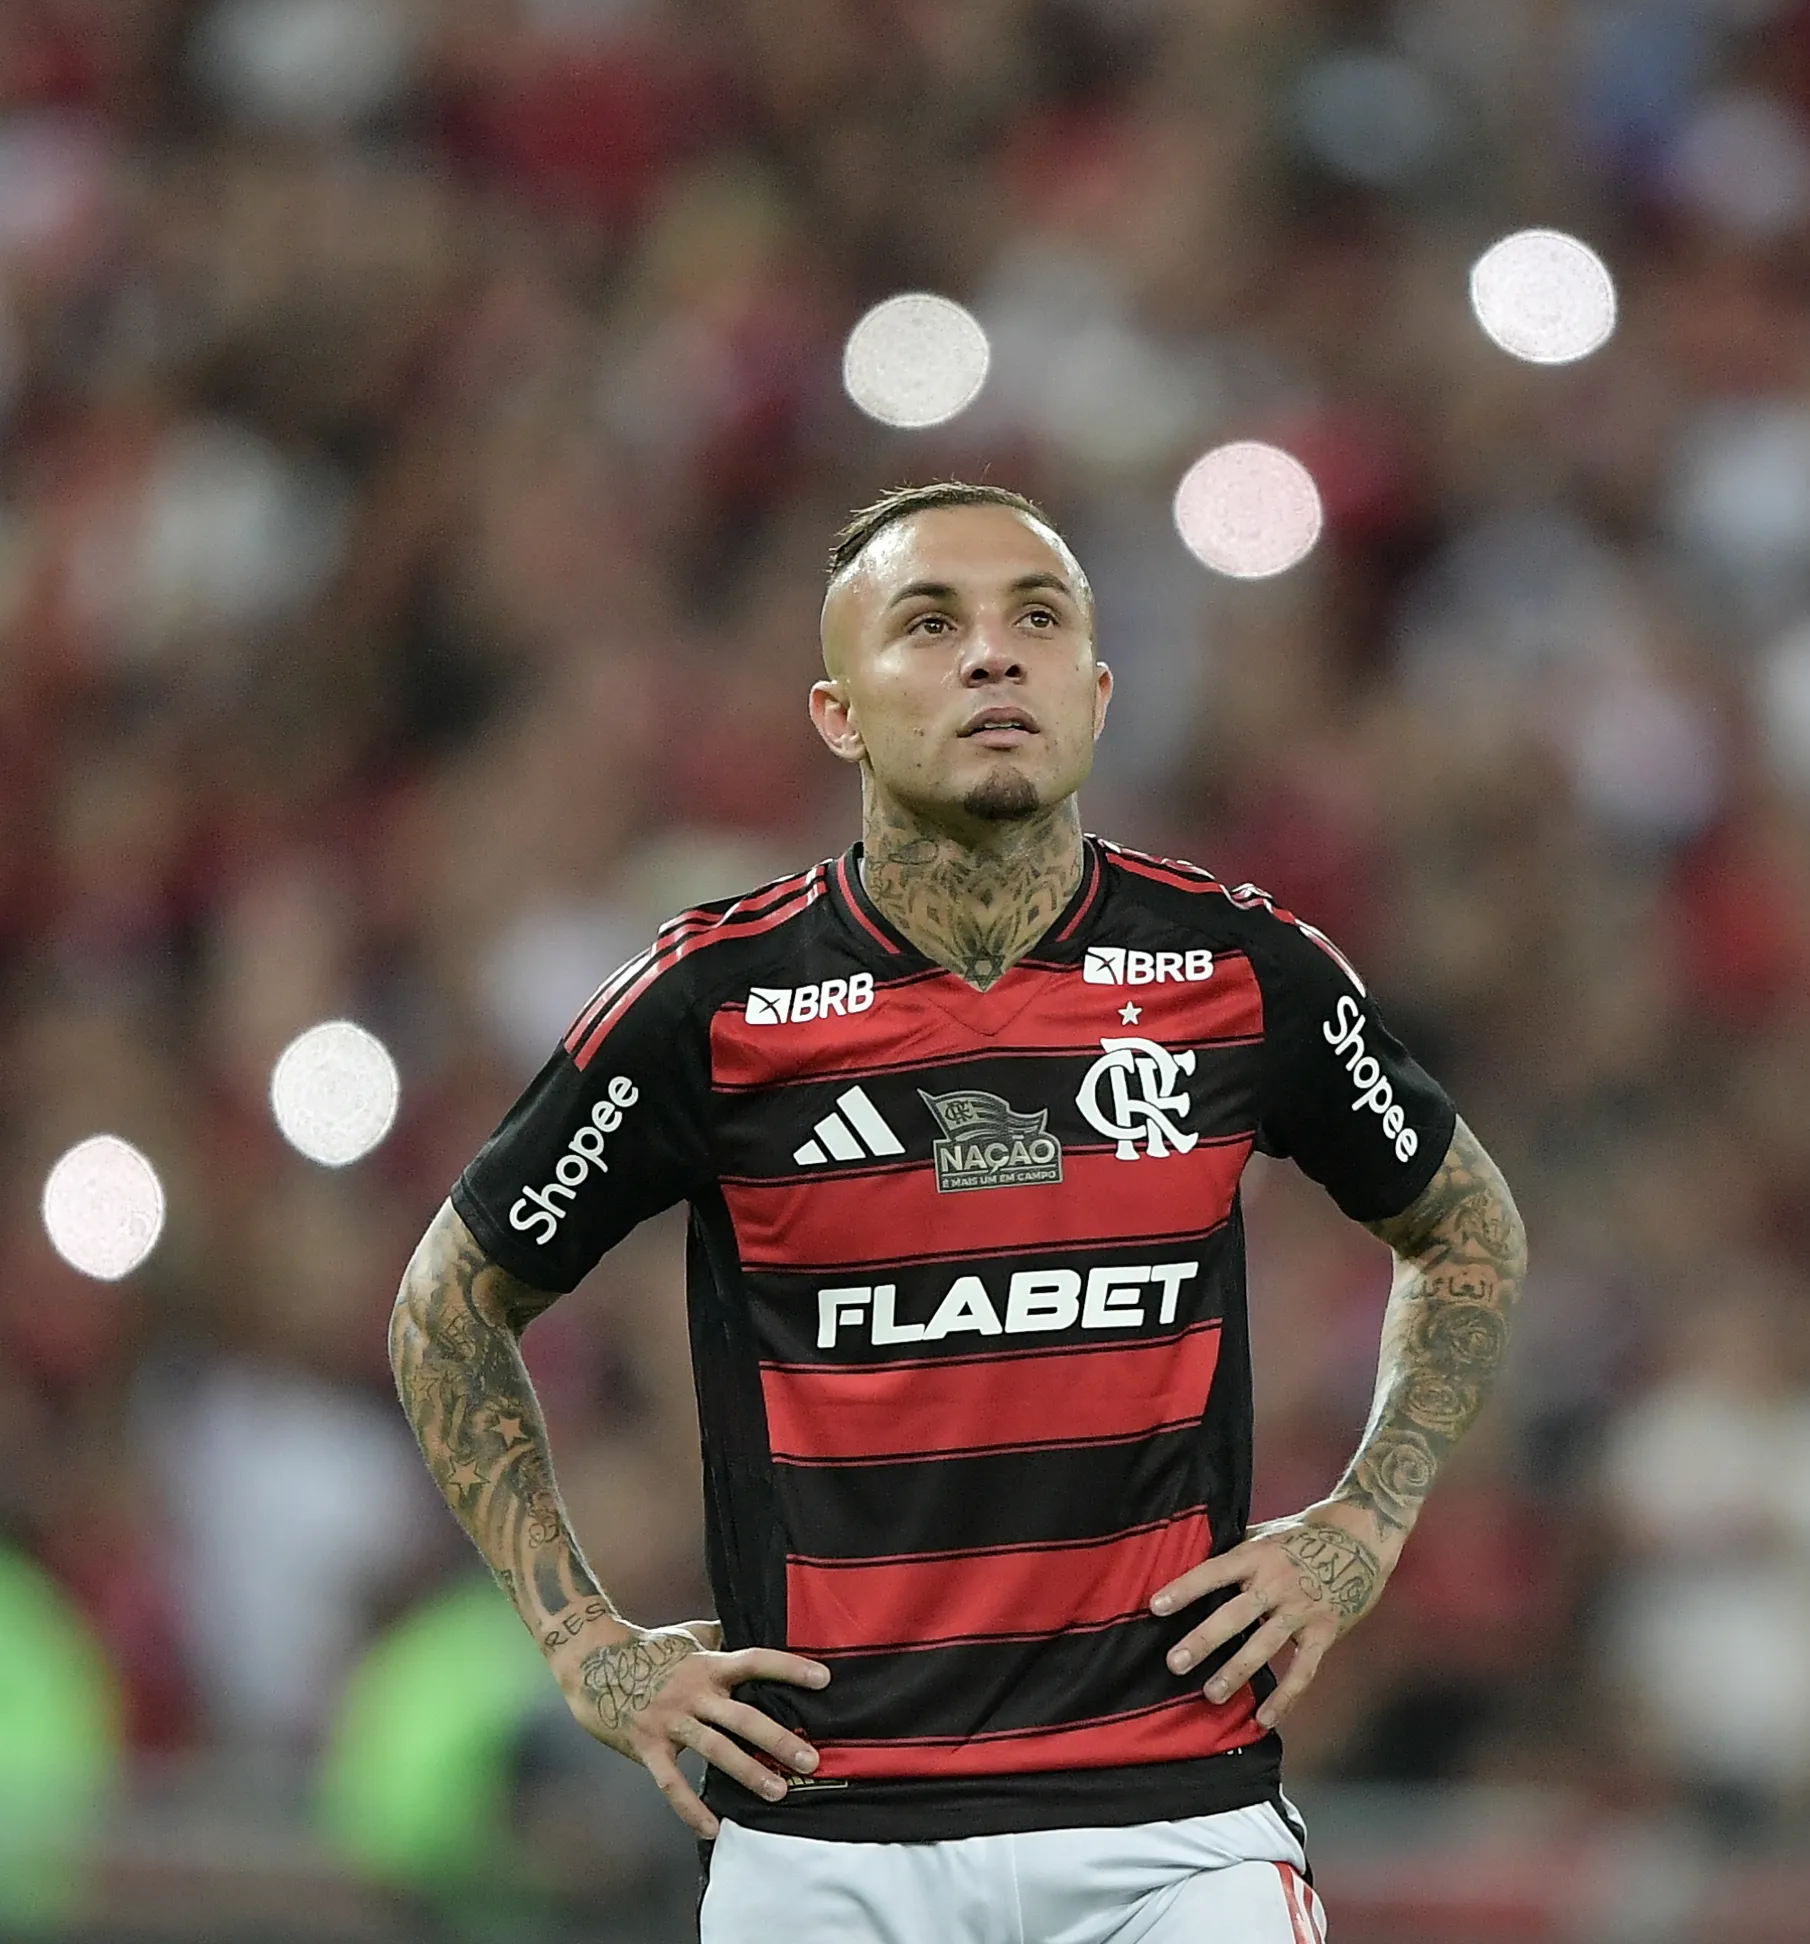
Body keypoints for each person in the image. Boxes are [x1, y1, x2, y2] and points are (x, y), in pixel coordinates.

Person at [386, 483, 1528, 1941]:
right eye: (931, 625)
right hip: (827, 1845)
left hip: (1173, 1834)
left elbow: (1466, 1226)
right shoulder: (712, 1006)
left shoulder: (1241, 974)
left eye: (1036, 622)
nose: (994, 656)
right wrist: (583, 1642)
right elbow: (449, 1304)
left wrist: (1367, 1519)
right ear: (838, 712)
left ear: (1100, 696)